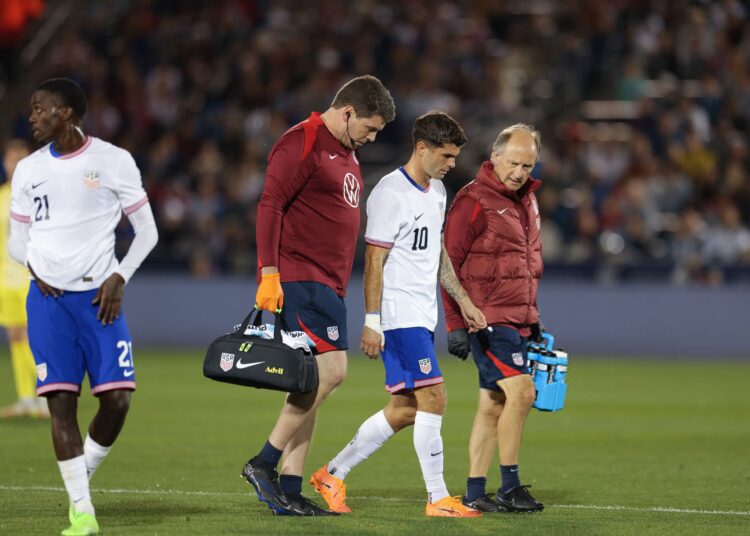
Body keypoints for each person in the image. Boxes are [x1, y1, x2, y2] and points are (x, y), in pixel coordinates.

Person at [309, 111, 485, 517]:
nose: (452, 164)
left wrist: (463, 301)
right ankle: (437, 498)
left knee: (405, 409)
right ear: (421, 148)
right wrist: (372, 320)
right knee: (435, 398)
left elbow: (437, 252)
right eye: (446, 155)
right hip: (399, 314)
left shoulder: (437, 190)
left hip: (422, 314)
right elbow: (374, 259)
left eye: (455, 156)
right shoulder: (390, 192)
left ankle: (332, 475)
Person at [8, 78, 159, 535]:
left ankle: (82, 476)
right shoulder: (28, 170)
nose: (32, 117)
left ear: (67, 113)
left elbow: (147, 231)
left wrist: (120, 276)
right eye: (31, 110)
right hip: (48, 302)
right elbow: (17, 241)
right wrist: (36, 267)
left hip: (99, 300)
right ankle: (82, 511)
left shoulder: (112, 161)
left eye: (40, 109)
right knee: (61, 404)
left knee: (117, 400)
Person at [242, 75, 396, 516]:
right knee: (332, 372)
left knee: (308, 382)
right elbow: (270, 204)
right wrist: (268, 272)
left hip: (328, 282)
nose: (370, 138)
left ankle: (289, 485)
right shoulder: (302, 141)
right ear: (347, 112)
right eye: (369, 128)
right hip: (299, 275)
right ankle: (263, 462)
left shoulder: (346, 151)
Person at [441, 124, 545, 513]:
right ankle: (510, 486)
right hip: (486, 319)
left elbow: (527, 266)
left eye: (528, 165)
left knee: (492, 404)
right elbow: (447, 264)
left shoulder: (527, 201)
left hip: (515, 319)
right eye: (514, 163)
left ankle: (474, 491)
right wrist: (454, 325)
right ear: (496, 157)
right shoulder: (473, 200)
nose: (520, 172)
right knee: (522, 392)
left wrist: (533, 319)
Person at [0, 139, 48, 418]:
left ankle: (49, 394)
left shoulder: (35, 196)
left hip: (29, 276)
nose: (14, 164)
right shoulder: (2, 196)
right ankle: (26, 399)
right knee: (15, 337)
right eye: (10, 158)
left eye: (20, 159)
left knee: (35, 339)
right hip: (5, 279)